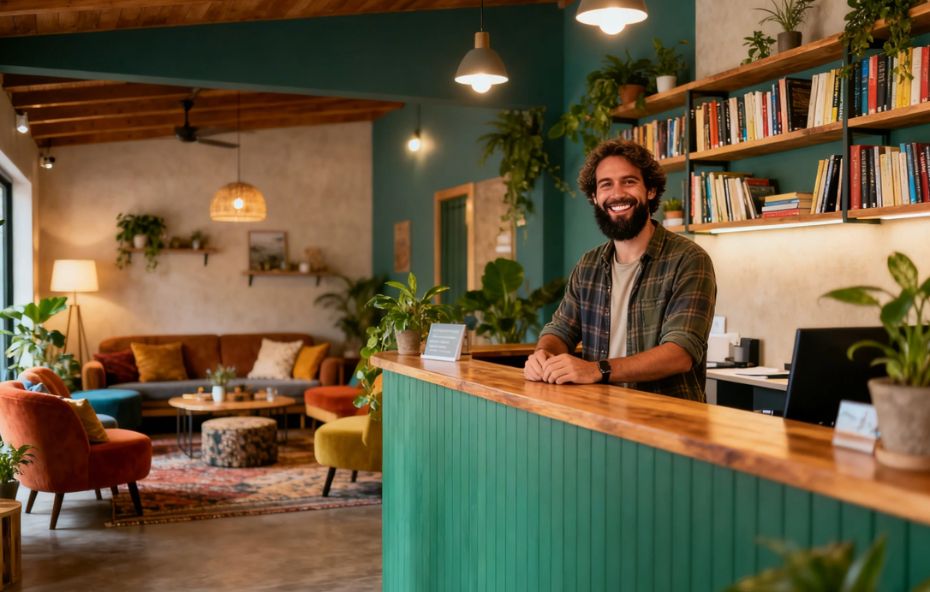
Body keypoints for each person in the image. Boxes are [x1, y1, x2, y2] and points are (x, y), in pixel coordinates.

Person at [524, 139, 716, 402]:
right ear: (594, 197)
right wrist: (543, 355)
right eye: (606, 184)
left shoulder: (688, 259)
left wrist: (597, 369)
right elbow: (560, 330)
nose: (617, 194)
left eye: (629, 181)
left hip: (667, 421)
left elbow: (680, 353)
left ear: (650, 190)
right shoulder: (588, 265)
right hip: (601, 418)